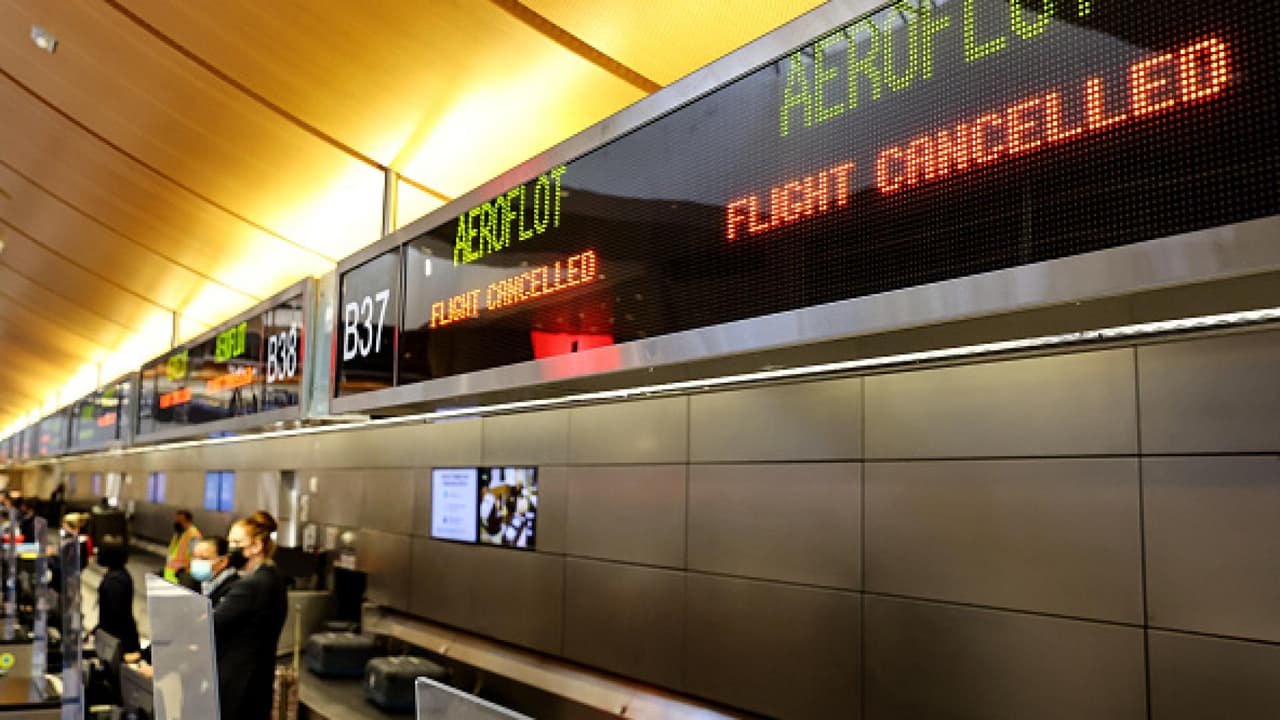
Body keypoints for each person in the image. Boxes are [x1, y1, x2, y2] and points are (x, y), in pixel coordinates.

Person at [213, 511, 288, 720]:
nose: (231, 549)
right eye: (230, 542)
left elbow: (213, 624)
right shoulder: (271, 576)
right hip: (256, 681)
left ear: (256, 546)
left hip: (238, 685)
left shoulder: (253, 585)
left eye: (237, 543)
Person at [93, 543, 141, 655]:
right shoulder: (117, 575)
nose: (97, 553)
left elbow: (116, 615)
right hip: (115, 639)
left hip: (120, 642)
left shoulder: (116, 581)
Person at [191, 536, 238, 606]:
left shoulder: (235, 588)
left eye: (204, 558)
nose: (197, 562)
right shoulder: (195, 583)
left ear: (223, 561)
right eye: (194, 557)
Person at [163, 510, 201, 585]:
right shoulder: (180, 533)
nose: (177, 522)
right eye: (176, 520)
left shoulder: (193, 535)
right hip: (172, 571)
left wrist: (187, 571)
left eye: (180, 520)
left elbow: (195, 555)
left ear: (188, 521)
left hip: (182, 572)